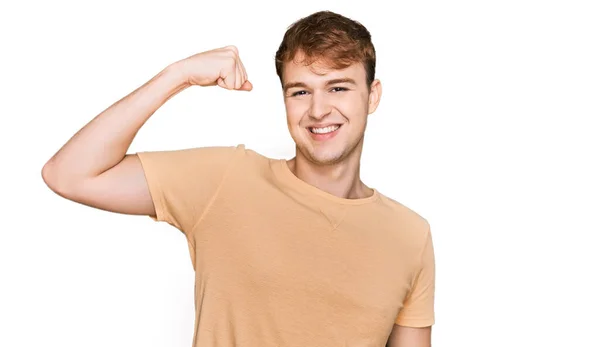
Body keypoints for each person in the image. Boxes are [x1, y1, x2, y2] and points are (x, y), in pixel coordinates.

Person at [41, 10, 435, 347]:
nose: (318, 110)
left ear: (372, 95)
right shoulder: (226, 180)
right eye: (300, 92)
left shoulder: (409, 235)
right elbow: (69, 174)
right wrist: (177, 76)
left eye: (338, 87)